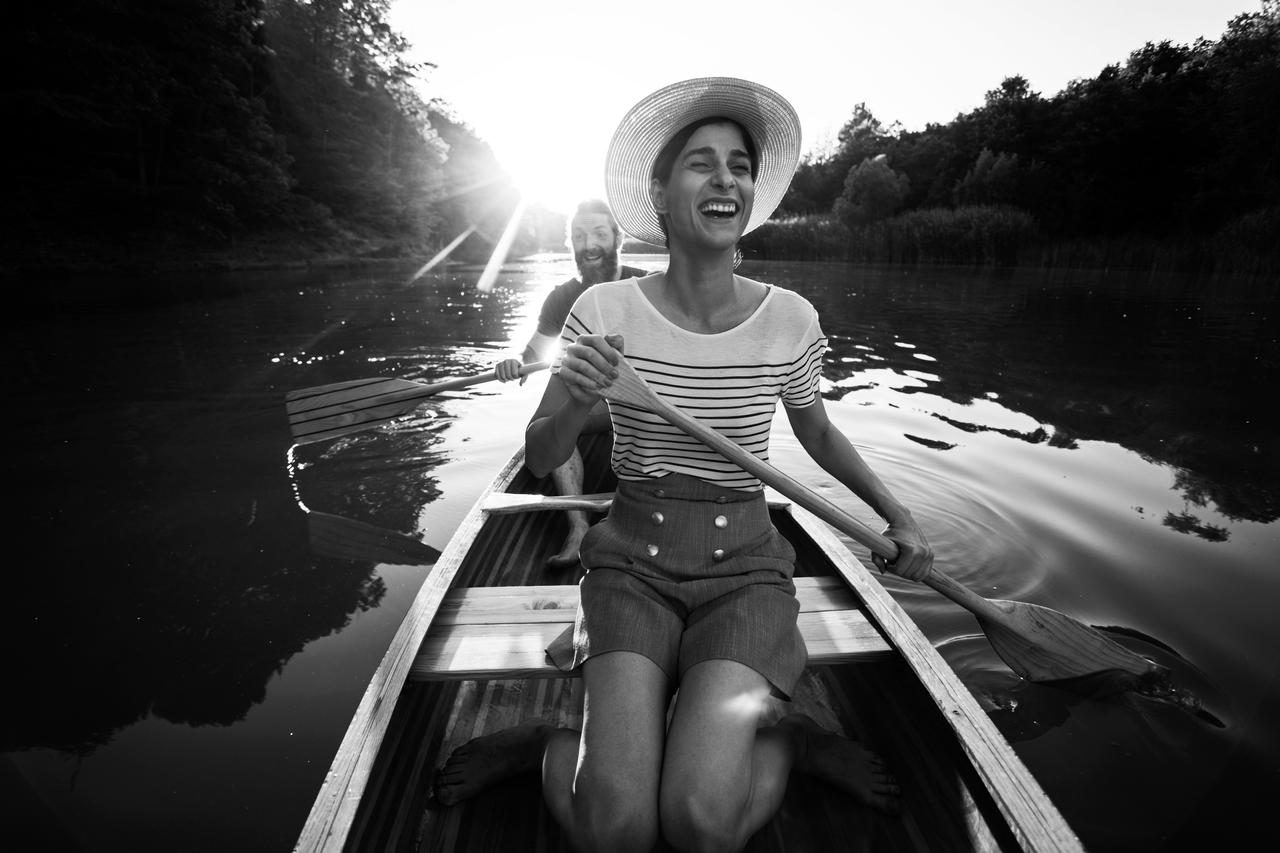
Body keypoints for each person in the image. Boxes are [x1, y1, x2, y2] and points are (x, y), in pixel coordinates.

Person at [436, 77, 933, 853]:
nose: (725, 177)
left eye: (739, 164)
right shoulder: (603, 313)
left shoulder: (791, 318)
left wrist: (895, 514)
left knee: (702, 823)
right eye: (701, 163)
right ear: (662, 193)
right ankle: (544, 744)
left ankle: (790, 740)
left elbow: (821, 434)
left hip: (744, 566)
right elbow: (541, 453)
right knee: (617, 829)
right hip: (630, 560)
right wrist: (576, 399)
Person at [494, 198, 648, 569]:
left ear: (617, 238)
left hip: (640, 404)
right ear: (572, 245)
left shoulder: (646, 285)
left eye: (598, 233)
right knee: (557, 422)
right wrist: (516, 363)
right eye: (579, 236)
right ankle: (577, 526)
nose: (589, 243)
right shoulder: (562, 297)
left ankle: (638, 523)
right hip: (591, 406)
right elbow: (534, 351)